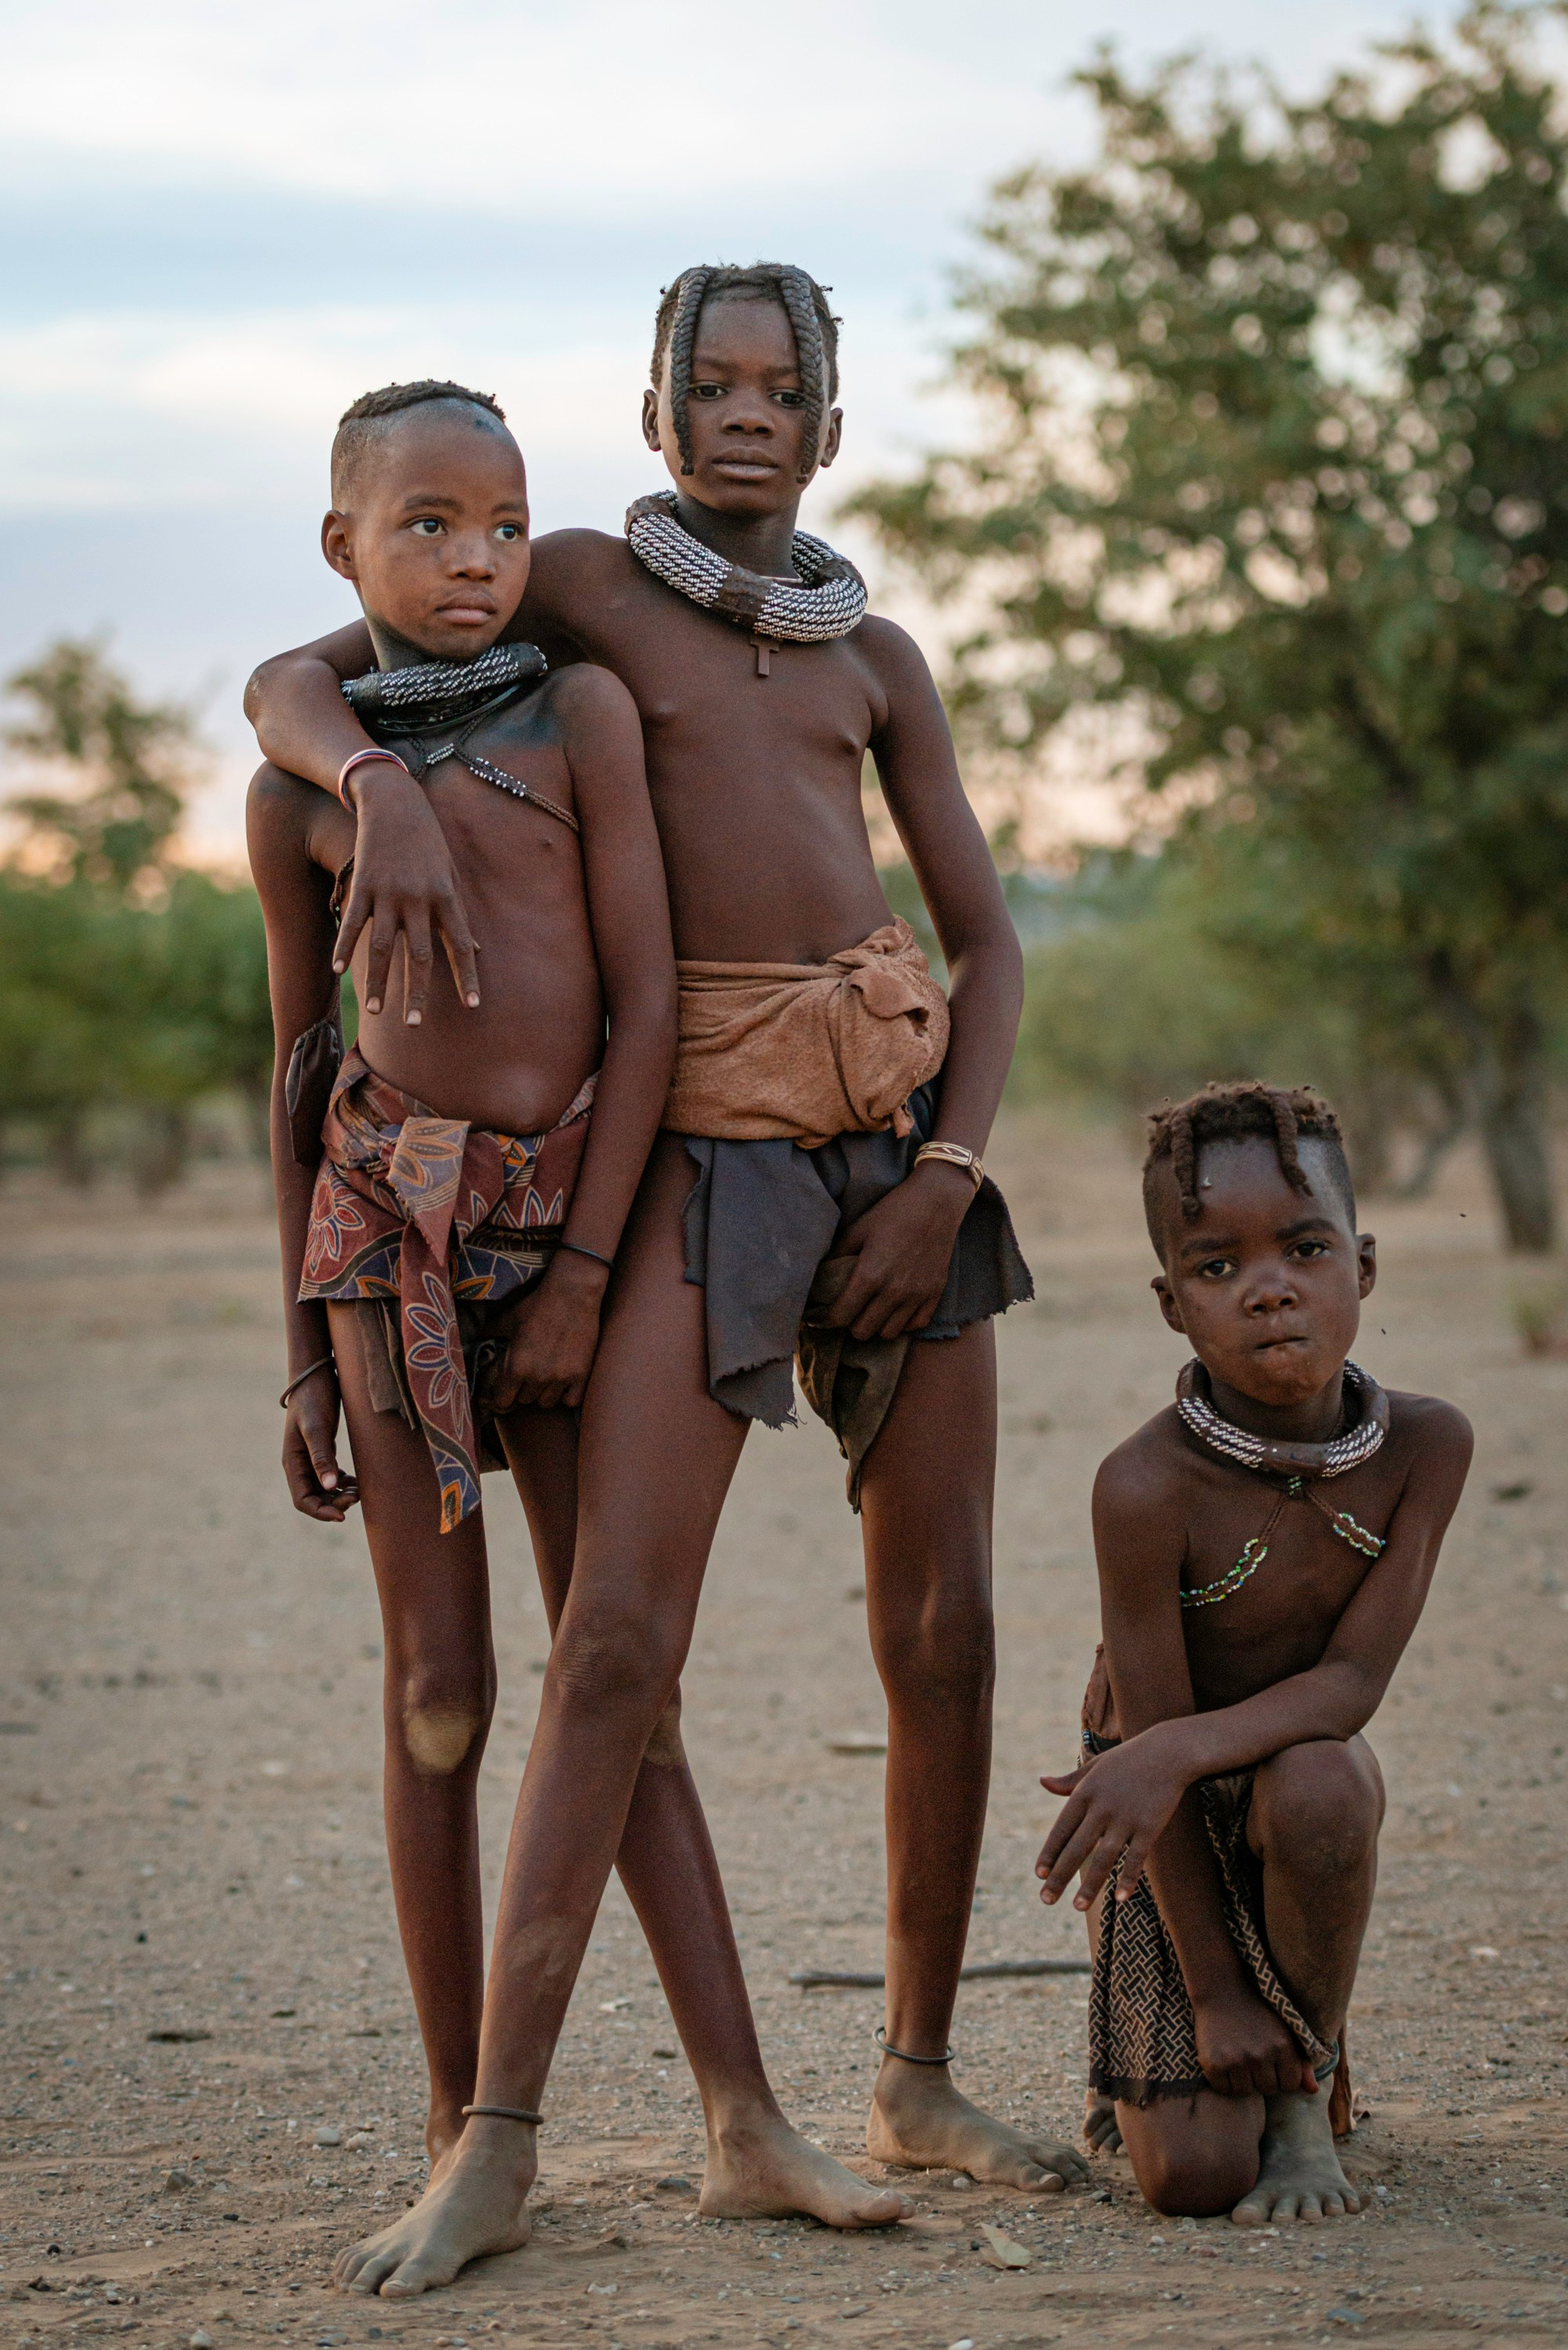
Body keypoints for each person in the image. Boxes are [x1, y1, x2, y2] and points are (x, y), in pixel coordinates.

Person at [247, 266, 1087, 2299]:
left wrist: (946, 1171)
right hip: (693, 1147)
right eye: (703, 384)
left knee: (949, 1627)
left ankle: (912, 2072)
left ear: (829, 423)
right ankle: (505, 2133)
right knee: (616, 1644)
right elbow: (311, 665)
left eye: (777, 388)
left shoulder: (869, 653)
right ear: (646, 414)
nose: (740, 415)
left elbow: (986, 943)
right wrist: (362, 781)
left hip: (892, 1139)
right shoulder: (584, 609)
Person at [1035, 1081, 1472, 2224]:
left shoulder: (1425, 1446)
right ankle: (1194, 2019)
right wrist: (1215, 1994)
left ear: (1361, 1268)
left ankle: (1303, 2090)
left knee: (1326, 1777)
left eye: (1304, 1248)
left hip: (1269, 1770)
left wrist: (1172, 1748)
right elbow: (1145, 1754)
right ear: (1170, 1304)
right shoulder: (1143, 1488)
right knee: (1190, 2183)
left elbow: (1350, 1689)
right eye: (1215, 1268)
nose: (1268, 1287)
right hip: (1154, 1817)